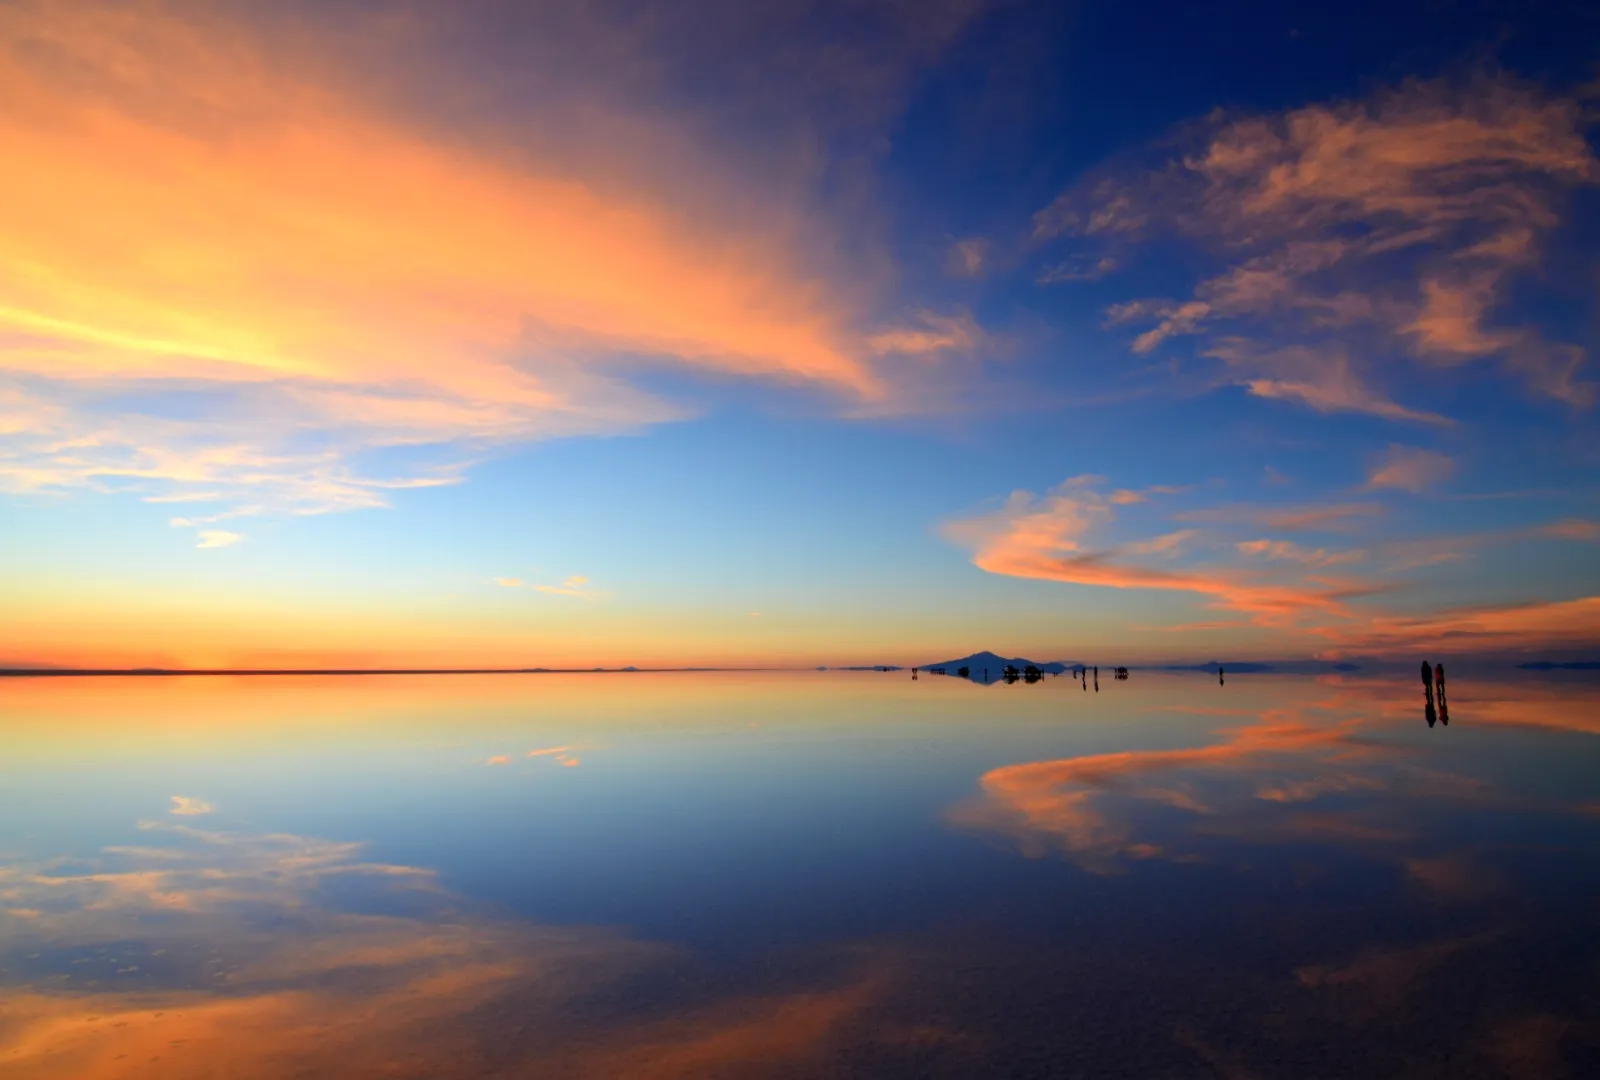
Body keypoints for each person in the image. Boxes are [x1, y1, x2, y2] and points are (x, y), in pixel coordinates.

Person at [1421, 660, 1437, 727]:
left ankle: (1429, 693)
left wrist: (1427, 709)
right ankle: (1429, 693)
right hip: (1427, 678)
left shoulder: (1431, 719)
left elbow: (1427, 714)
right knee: (1428, 686)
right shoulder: (1432, 719)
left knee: (1428, 686)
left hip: (1427, 678)